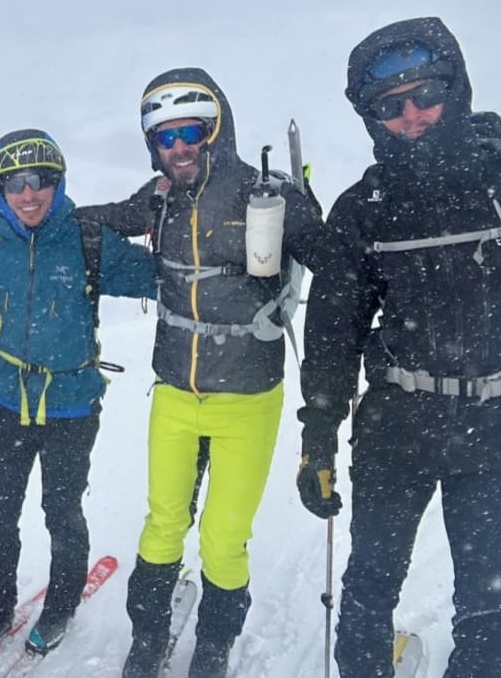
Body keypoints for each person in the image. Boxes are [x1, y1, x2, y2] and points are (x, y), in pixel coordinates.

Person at [296, 16, 501, 677]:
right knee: (366, 598)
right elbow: (334, 329)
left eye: (427, 94)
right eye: (389, 107)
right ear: (370, 116)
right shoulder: (365, 206)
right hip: (398, 428)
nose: (412, 116)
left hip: (499, 432)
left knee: (491, 621)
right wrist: (318, 434)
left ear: (458, 85)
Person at [77, 69, 332, 677]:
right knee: (163, 522)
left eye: (191, 131)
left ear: (216, 131)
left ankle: (215, 644)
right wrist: (41, 223)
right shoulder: (159, 196)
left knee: (223, 536)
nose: (179, 148)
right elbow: (99, 218)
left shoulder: (266, 194)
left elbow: (338, 271)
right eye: (165, 139)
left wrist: (311, 220)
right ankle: (148, 636)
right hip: (175, 391)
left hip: (249, 396)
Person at [0, 129, 154, 658]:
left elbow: (164, 277)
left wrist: (235, 256)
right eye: (15, 183)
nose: (28, 194)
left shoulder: (89, 239)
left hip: (72, 402)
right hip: (5, 399)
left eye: (39, 181)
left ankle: (63, 601)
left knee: (62, 511)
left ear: (58, 181)